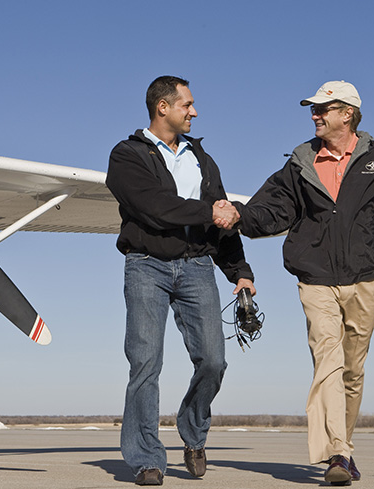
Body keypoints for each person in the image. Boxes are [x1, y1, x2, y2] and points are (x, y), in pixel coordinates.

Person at [215, 80, 374, 485]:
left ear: (347, 113)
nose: (315, 115)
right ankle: (338, 453)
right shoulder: (299, 163)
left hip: (367, 278)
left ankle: (343, 448)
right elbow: (272, 210)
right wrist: (240, 214)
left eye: (323, 108)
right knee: (327, 361)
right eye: (313, 109)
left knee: (352, 369)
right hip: (315, 279)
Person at [106, 75, 256, 486]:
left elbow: (223, 219)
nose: (194, 111)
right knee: (145, 362)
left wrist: (240, 272)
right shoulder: (127, 155)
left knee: (213, 360)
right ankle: (146, 459)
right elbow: (155, 208)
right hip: (146, 266)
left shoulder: (201, 159)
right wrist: (210, 212)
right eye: (187, 104)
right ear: (163, 108)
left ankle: (193, 434)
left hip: (197, 267)